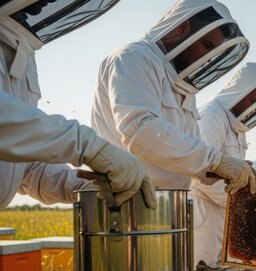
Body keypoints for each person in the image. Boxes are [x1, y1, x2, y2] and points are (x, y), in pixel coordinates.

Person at [0, 0, 155, 210]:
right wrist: (88, 146)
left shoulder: (22, 52)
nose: (47, 3)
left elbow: (24, 167)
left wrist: (84, 185)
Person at [91, 0, 256, 195]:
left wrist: (224, 168)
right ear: (183, 27)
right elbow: (140, 130)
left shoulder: (182, 87)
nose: (208, 57)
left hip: (167, 204)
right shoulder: (133, 57)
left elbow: (189, 150)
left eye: (214, 51)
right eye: (207, 45)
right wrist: (215, 161)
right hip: (122, 200)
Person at [191, 62, 256, 267]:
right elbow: (200, 169)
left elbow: (234, 173)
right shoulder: (212, 115)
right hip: (202, 213)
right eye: (252, 100)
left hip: (220, 214)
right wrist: (245, 206)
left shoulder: (238, 130)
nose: (254, 107)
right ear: (238, 93)